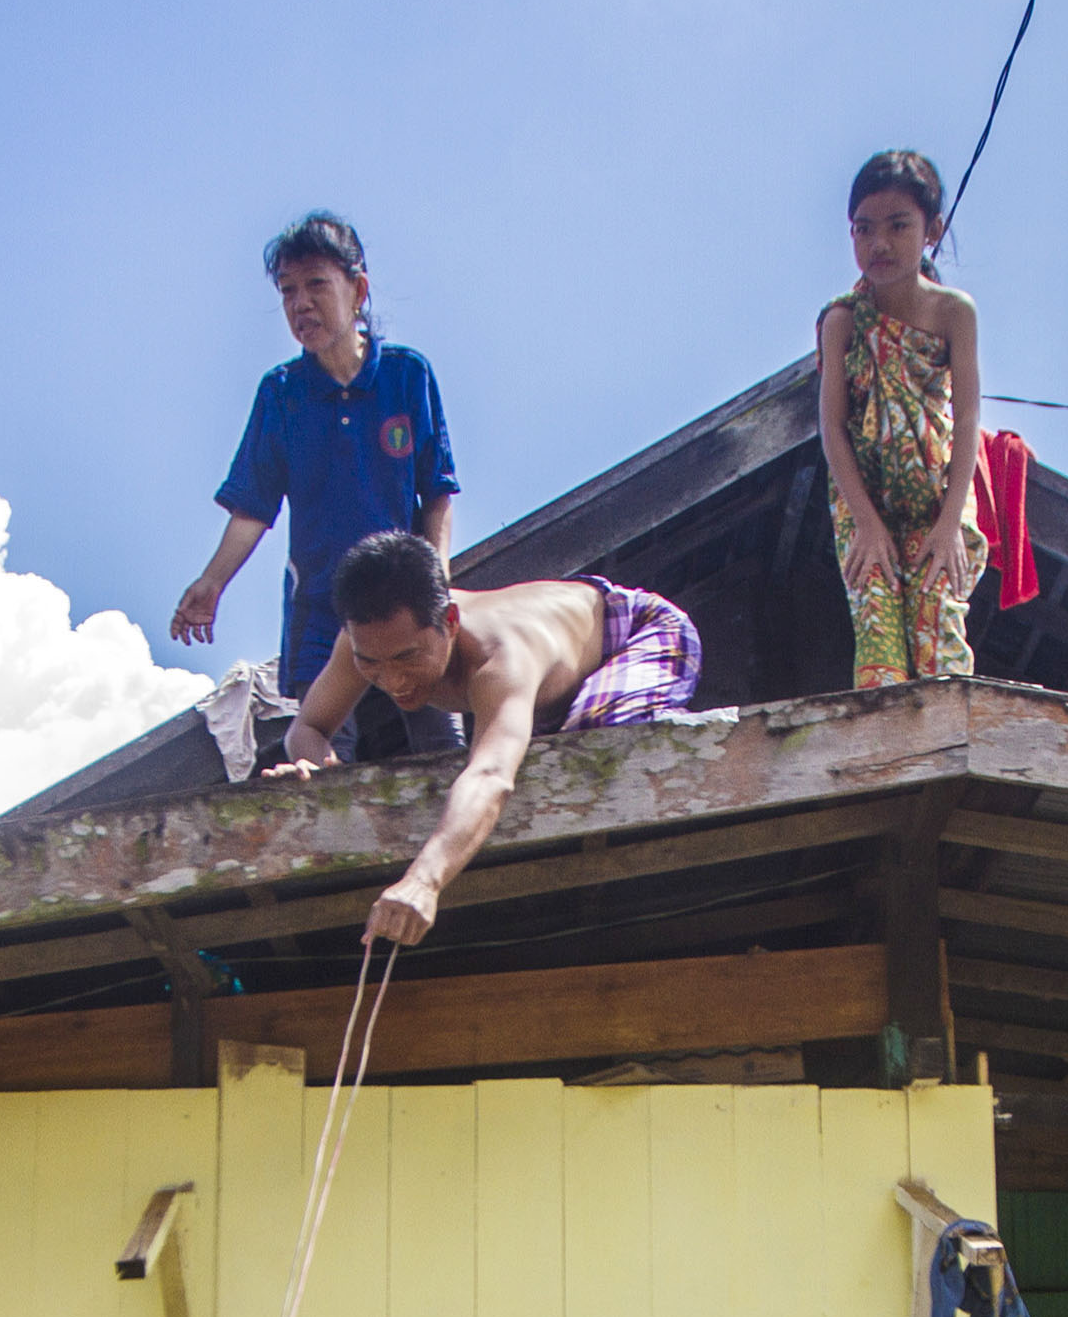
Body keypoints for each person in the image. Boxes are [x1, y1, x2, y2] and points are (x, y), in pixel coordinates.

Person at [273, 530, 703, 945]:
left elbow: (491, 773)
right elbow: (307, 728)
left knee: (591, 750)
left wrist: (424, 880)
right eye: (372, 664)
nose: (392, 680)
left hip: (636, 632)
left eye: (407, 658)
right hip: (549, 700)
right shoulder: (360, 642)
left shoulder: (500, 657)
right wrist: (316, 765)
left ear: (450, 622)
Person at [173, 211, 462, 764]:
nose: (300, 304)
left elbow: (437, 491)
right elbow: (252, 509)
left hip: (407, 598)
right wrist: (211, 583)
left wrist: (438, 581)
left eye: (315, 285)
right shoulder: (281, 395)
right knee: (321, 752)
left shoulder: (407, 376)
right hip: (322, 605)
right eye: (287, 292)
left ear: (358, 290)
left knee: (443, 747)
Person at [818, 149, 986, 689]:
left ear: (932, 229)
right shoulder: (842, 320)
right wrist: (865, 522)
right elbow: (833, 428)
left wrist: (950, 522)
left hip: (938, 497)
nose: (879, 244)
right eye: (864, 229)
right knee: (880, 651)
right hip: (863, 499)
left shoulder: (954, 313)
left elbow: (967, 419)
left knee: (940, 646)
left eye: (898, 226)